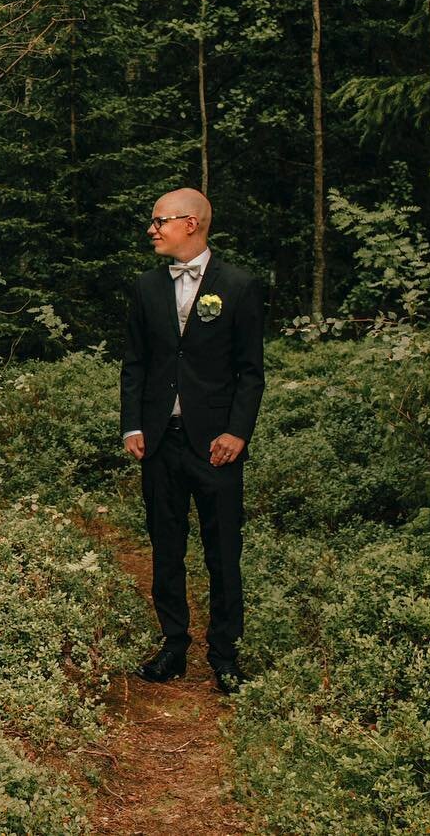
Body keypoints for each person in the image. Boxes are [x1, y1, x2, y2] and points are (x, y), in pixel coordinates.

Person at [120, 188, 264, 695]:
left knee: (223, 550)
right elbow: (135, 363)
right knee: (166, 546)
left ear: (191, 223)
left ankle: (224, 654)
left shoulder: (239, 286)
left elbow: (251, 373)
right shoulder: (145, 287)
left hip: (216, 446)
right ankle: (173, 646)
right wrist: (133, 425)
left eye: (159, 221)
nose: (151, 229)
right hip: (160, 442)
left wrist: (237, 433)